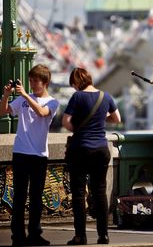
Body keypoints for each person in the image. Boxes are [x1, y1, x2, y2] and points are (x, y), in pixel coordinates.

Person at [0, 64, 59, 247]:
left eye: (35, 81)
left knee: (36, 197)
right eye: (31, 80)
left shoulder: (52, 102)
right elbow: (4, 111)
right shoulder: (24, 99)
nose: (32, 84)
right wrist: (7, 95)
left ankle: (34, 233)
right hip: (21, 152)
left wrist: (25, 95)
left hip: (39, 155)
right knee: (18, 197)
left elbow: (42, 113)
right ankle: (17, 235)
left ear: (45, 82)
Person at [62, 67, 121, 245]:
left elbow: (65, 121)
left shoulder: (77, 97)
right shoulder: (105, 96)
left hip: (80, 149)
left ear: (77, 82)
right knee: (100, 192)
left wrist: (78, 130)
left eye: (73, 84)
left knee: (79, 194)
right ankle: (103, 235)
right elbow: (116, 118)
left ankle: (80, 236)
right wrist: (101, 121)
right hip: (101, 150)